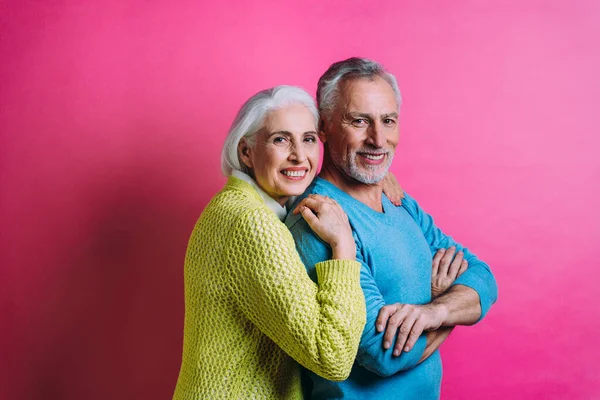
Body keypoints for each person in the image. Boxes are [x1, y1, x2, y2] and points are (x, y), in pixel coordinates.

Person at [286, 58, 499, 399]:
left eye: (388, 120)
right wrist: (448, 310)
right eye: (359, 121)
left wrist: (434, 312)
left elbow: (483, 278)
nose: (378, 139)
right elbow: (381, 354)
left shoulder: (399, 202)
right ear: (323, 127)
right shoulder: (320, 220)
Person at [172, 85, 367, 399]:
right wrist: (344, 248)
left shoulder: (232, 204)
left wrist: (379, 179)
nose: (299, 156)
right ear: (246, 151)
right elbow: (332, 355)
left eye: (308, 139)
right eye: (281, 139)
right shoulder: (252, 224)